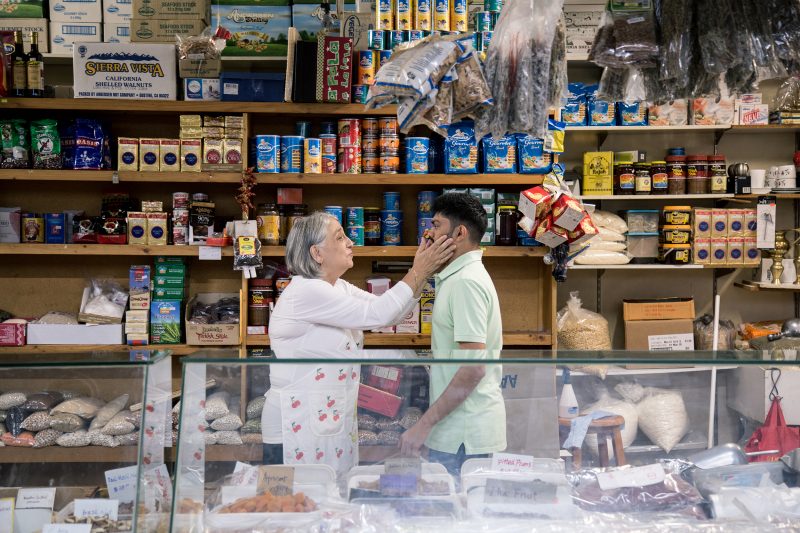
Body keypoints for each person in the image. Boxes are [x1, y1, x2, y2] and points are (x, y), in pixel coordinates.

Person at [262, 211, 455, 477]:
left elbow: (387, 314)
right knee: (295, 505)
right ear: (317, 253)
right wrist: (418, 269)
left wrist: (422, 273)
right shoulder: (307, 290)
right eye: (340, 238)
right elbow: (378, 314)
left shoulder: (336, 286)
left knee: (330, 500)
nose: (350, 242)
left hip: (324, 418)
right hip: (295, 425)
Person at [399, 193, 507, 476]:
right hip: (455, 431)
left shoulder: (465, 283)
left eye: (436, 225)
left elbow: (473, 370)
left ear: (459, 232)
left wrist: (423, 425)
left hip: (465, 437)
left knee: (459, 515)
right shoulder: (458, 277)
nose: (429, 233)